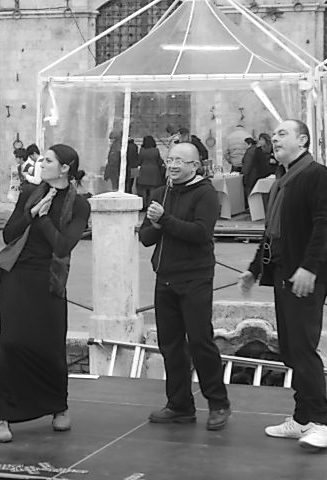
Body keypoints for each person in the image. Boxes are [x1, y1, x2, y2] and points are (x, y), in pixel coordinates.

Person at [238, 119, 327, 451]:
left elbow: (326, 225)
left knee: (303, 348)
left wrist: (310, 267)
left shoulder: (317, 176)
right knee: (291, 348)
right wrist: (255, 269)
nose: (275, 138)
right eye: (274, 134)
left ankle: (321, 424)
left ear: (303, 140)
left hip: (306, 276)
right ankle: (302, 418)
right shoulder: (283, 179)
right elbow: (272, 232)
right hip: (285, 273)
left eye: (283, 133)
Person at [0, 144, 91, 443]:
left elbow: (63, 246)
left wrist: (44, 219)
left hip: (49, 279)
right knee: (11, 343)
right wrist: (32, 213)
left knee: (51, 344)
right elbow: (9, 234)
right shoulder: (29, 193)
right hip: (18, 275)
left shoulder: (79, 204)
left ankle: (58, 406)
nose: (41, 164)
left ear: (65, 168)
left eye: (48, 161)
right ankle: (3, 414)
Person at [138, 142, 231, 431]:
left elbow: (201, 233)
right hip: (165, 277)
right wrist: (156, 224)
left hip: (195, 278)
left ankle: (218, 403)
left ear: (195, 165)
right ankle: (179, 405)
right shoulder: (161, 193)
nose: (173, 165)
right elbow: (146, 238)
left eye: (180, 160)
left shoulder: (205, 193)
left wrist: (164, 220)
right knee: (170, 344)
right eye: (170, 159)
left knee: (200, 341)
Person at [135, 135, 165, 210]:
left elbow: (139, 161)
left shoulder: (142, 150)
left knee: (143, 190)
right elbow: (159, 161)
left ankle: (143, 205)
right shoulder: (156, 150)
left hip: (144, 171)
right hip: (154, 172)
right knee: (152, 190)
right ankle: (150, 204)